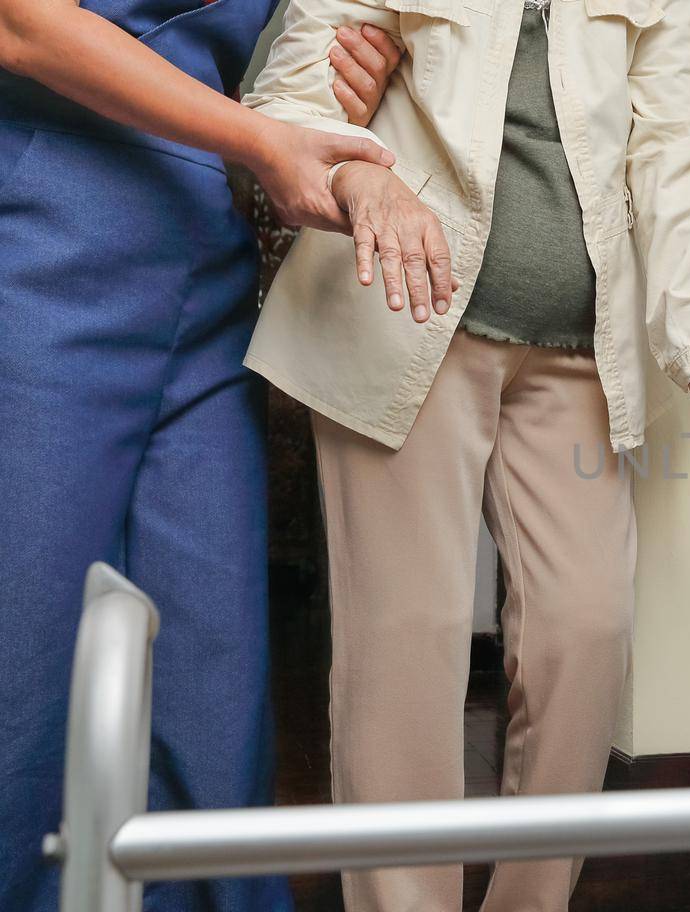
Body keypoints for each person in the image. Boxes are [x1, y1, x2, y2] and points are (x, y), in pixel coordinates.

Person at [241, 0, 690, 908]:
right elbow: (292, 89)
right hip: (402, 312)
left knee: (587, 633)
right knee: (404, 653)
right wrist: (357, 182)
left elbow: (672, 147)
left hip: (582, 352)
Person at [0, 3, 402, 909]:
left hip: (199, 260)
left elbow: (297, 52)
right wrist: (263, 139)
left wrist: (331, 86)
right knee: (17, 694)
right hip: (36, 238)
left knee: (214, 710)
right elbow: (22, 23)